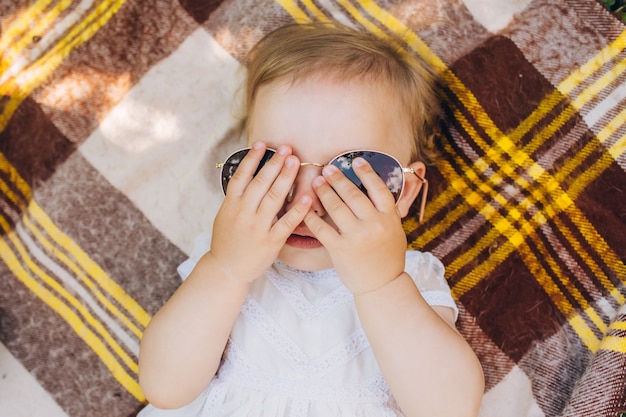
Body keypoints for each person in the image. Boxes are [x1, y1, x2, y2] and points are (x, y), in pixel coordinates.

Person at [138, 21, 484, 417]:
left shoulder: (410, 279)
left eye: (351, 174)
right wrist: (225, 268)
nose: (305, 201)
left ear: (404, 191)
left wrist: (381, 285)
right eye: (274, 168)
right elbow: (164, 388)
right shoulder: (221, 259)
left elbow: (450, 410)